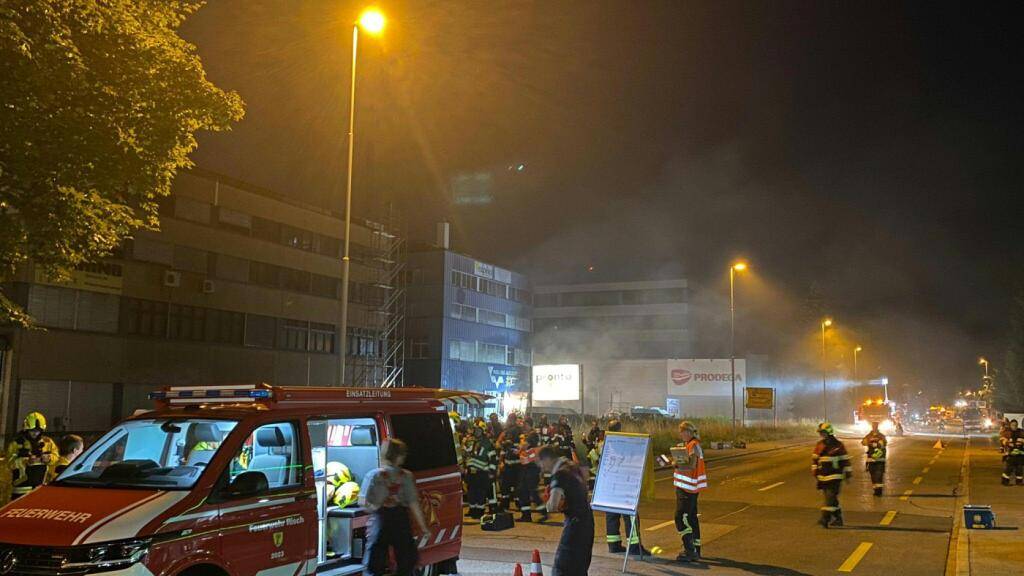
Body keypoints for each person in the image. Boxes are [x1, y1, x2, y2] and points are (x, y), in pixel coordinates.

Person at [359, 438, 429, 576]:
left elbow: (362, 501)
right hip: (401, 520)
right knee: (406, 561)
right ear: (398, 457)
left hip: (380, 520)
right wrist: (424, 527)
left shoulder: (373, 475)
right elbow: (414, 504)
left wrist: (374, 507)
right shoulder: (406, 476)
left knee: (374, 562)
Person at [538, 445, 594, 576]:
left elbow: (552, 506)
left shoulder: (559, 475)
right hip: (587, 520)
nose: (542, 467)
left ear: (547, 459)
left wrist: (547, 499)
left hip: (575, 523)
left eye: (541, 463)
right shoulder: (571, 465)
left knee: (562, 567)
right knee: (579, 566)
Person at [601, 419, 642, 554]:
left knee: (611, 515)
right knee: (630, 515)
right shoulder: (623, 442)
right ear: (619, 429)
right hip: (623, 484)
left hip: (607, 485)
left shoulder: (602, 444)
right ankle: (634, 546)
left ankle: (613, 545)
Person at [672, 420, 706, 563]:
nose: (681, 435)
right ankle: (696, 548)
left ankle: (689, 550)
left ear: (687, 432)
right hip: (689, 487)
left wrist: (676, 463)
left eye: (681, 432)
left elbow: (691, 465)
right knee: (691, 517)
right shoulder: (692, 444)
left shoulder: (693, 445)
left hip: (687, 488)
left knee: (680, 517)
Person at [5, 412, 59, 500]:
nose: (35, 433)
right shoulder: (16, 443)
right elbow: (9, 463)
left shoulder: (48, 442)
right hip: (21, 490)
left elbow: (56, 457)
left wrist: (49, 458)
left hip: (41, 488)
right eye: (32, 431)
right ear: (26, 429)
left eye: (38, 431)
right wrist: (25, 461)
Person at [812, 422, 852, 528]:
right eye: (820, 433)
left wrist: (848, 474)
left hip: (835, 477)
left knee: (829, 499)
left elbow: (845, 460)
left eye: (823, 432)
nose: (821, 434)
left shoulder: (838, 445)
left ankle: (825, 518)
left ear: (828, 432)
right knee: (832, 499)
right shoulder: (819, 445)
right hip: (823, 477)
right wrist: (815, 472)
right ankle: (838, 519)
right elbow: (815, 459)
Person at [517, 431, 547, 522]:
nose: (525, 443)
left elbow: (525, 460)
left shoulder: (534, 451)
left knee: (533, 493)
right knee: (523, 492)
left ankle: (543, 512)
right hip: (526, 474)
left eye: (527, 441)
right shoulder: (531, 450)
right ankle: (526, 515)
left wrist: (520, 451)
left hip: (532, 474)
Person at [463, 425, 491, 519]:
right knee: (471, 492)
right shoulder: (473, 442)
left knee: (480, 492)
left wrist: (492, 471)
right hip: (472, 471)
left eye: (479, 431)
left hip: (481, 471)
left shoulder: (486, 443)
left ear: (482, 432)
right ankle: (472, 510)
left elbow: (491, 457)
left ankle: (480, 511)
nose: (477, 432)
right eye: (476, 431)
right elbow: (467, 453)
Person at [497, 414, 523, 511]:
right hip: (518, 464)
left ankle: (505, 504)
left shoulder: (509, 431)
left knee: (506, 485)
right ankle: (519, 503)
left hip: (510, 463)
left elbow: (504, 446)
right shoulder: (520, 431)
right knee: (516, 485)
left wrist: (501, 461)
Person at [861, 421, 887, 496]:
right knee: (873, 476)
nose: (874, 427)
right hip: (871, 460)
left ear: (877, 426)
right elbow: (863, 442)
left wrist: (874, 444)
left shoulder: (881, 436)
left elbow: (884, 443)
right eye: (873, 426)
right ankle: (876, 490)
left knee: (879, 476)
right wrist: (871, 442)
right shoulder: (869, 435)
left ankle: (879, 491)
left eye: (875, 426)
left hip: (880, 460)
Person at [1001, 419, 1023, 486]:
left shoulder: (1021, 432)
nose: (1014, 426)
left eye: (1015, 425)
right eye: (1013, 425)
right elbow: (1003, 441)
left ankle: (1019, 481)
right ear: (1010, 425)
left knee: (1019, 468)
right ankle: (1005, 481)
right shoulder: (1007, 433)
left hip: (1019, 454)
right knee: (1009, 469)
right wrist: (1009, 444)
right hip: (1010, 454)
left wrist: (1019, 445)